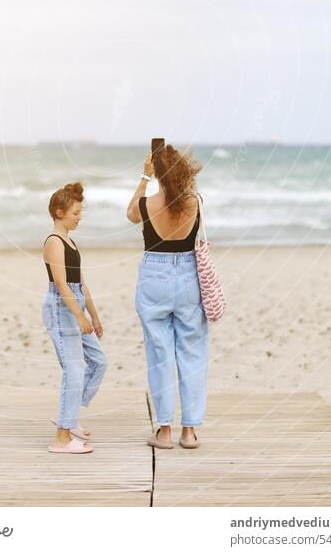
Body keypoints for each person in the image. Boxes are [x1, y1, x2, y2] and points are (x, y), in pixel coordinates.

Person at [127, 144, 208, 449]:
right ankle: (189, 431)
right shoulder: (194, 202)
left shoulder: (148, 204)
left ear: (158, 172)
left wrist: (144, 176)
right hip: (188, 277)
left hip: (154, 278)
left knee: (159, 355)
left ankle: (164, 432)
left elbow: (130, 213)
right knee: (192, 353)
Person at [42, 181, 107, 454]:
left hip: (76, 303)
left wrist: (93, 315)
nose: (79, 218)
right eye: (75, 213)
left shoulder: (71, 241)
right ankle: (62, 438)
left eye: (80, 212)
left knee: (99, 361)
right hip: (62, 308)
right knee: (75, 369)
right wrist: (79, 316)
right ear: (59, 212)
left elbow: (80, 282)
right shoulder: (54, 242)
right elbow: (61, 284)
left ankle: (67, 417)